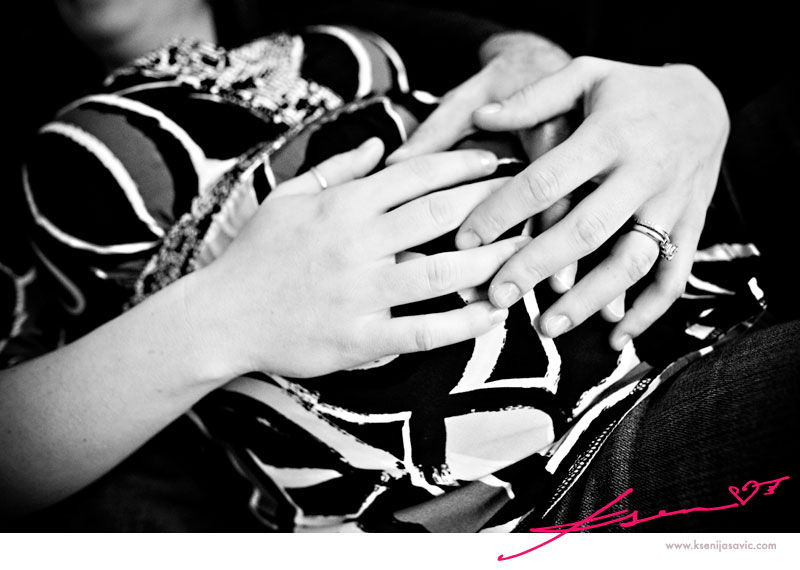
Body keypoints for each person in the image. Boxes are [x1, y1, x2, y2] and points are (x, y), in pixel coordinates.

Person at [2, 0, 797, 532]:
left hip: (676, 255)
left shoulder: (329, 16)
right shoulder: (28, 163)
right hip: (535, 478)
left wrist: (690, 99)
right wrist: (226, 315)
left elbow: (528, 67)